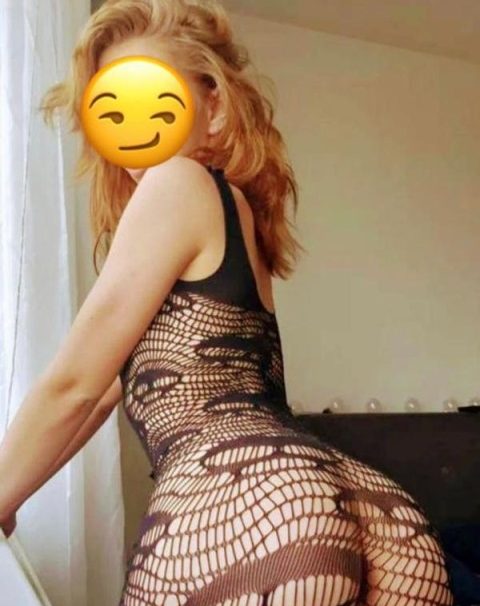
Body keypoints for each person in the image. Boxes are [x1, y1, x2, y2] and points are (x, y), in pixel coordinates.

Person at [4, 0, 454, 604]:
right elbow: (98, 396)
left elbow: (74, 385)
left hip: (250, 501)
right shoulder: (229, 216)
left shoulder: (175, 183)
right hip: (378, 514)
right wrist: (12, 496)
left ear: (212, 107)